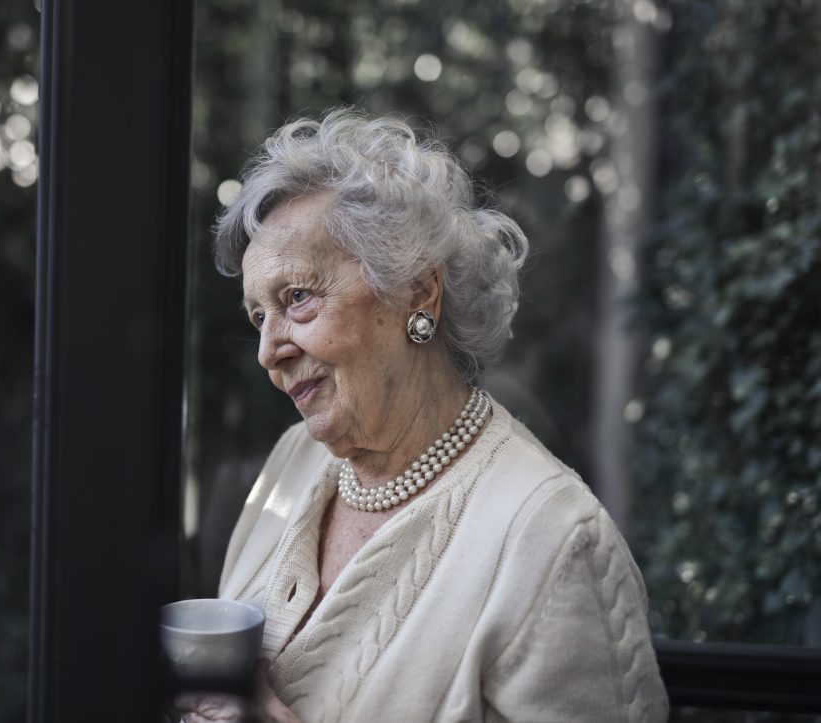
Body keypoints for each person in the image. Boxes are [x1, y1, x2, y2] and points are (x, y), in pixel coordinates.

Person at [180, 109, 668, 722]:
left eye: (297, 298)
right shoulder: (290, 463)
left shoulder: (554, 544)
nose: (267, 351)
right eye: (258, 317)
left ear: (418, 293)